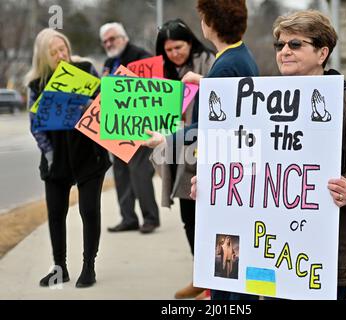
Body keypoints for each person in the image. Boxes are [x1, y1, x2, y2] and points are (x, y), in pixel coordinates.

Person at [191, 9, 346, 300]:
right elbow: (240, 160)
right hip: (270, 249)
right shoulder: (259, 100)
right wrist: (212, 183)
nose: (284, 51)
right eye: (280, 45)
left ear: (322, 53)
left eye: (295, 44)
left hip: (325, 250)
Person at [145, 0, 260, 301]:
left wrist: (166, 140)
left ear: (209, 23)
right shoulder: (236, 56)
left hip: (223, 170)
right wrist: (206, 84)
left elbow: (215, 129)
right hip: (226, 169)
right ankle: (214, 288)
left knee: (226, 249)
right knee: (223, 246)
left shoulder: (226, 63)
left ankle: (222, 297)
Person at [25, 28, 111, 288]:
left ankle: (89, 266)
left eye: (64, 50)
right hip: (57, 157)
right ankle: (59, 267)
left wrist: (88, 103)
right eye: (54, 53)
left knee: (88, 210)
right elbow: (35, 124)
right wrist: (49, 155)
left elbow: (105, 104)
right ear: (43, 56)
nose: (61, 55)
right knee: (55, 213)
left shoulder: (85, 69)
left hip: (89, 153)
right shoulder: (36, 85)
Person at [153, 18, 215, 299]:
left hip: (203, 148)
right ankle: (201, 275)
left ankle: (214, 281)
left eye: (179, 47)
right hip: (177, 149)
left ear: (190, 42)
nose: (174, 53)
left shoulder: (209, 63)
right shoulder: (162, 71)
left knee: (208, 218)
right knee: (188, 217)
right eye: (168, 49)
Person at [99, 22, 160, 234]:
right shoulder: (108, 62)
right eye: (105, 41)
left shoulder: (140, 56)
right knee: (121, 173)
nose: (108, 43)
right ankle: (128, 218)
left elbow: (151, 86)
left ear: (123, 37)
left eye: (112, 39)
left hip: (139, 125)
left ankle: (150, 218)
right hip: (117, 127)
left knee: (139, 171)